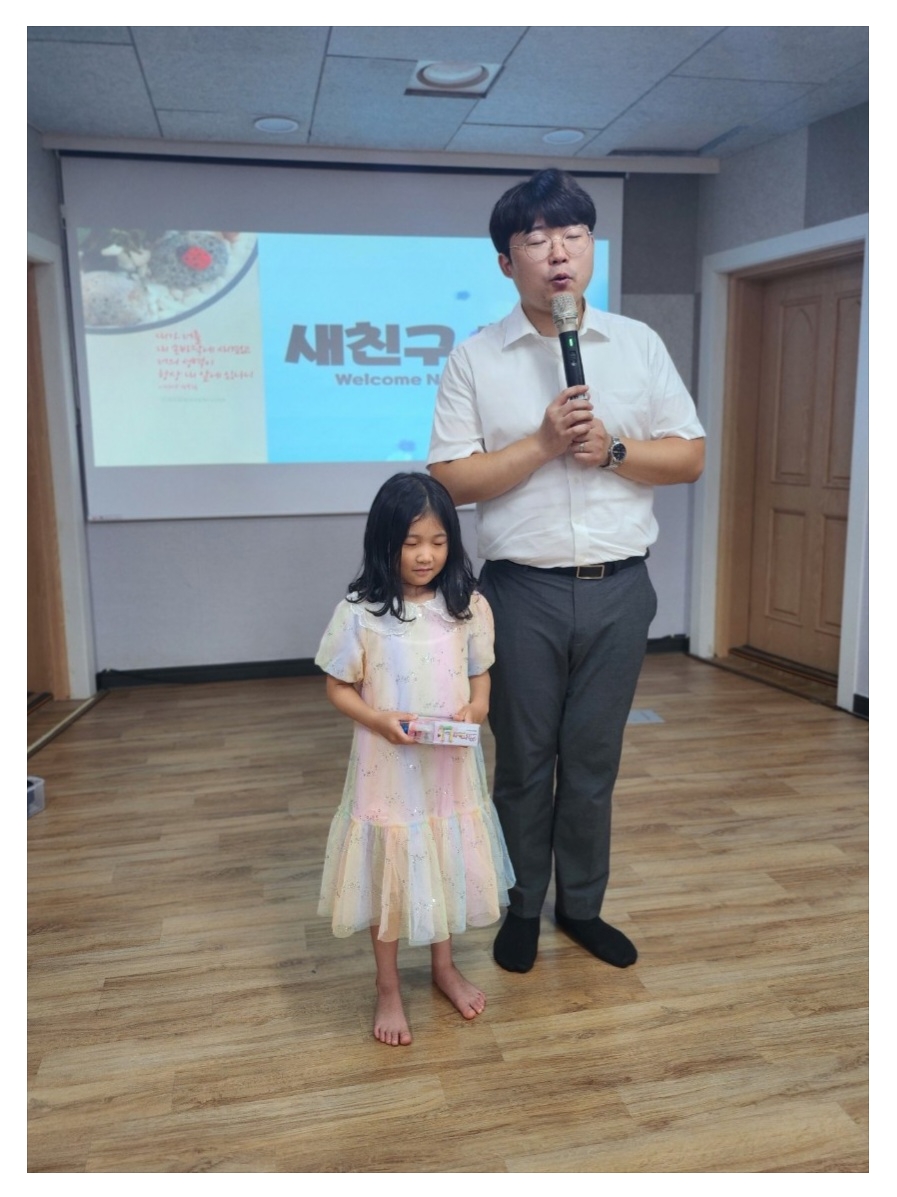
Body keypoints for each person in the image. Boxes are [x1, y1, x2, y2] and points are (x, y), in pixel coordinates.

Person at [428, 168, 705, 976]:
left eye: (574, 236)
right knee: (522, 762)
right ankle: (521, 906)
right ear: (505, 261)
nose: (558, 253)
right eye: (537, 239)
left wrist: (612, 449)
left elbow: (688, 456)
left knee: (591, 761)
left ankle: (579, 905)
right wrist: (542, 445)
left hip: (621, 588)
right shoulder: (475, 358)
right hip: (521, 592)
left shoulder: (637, 344)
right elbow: (451, 479)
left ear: (590, 249)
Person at [316, 471, 514, 1046]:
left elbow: (480, 674)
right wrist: (378, 719)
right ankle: (387, 986)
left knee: (442, 855)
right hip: (387, 766)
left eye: (437, 541)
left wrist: (478, 707)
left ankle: (444, 967)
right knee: (392, 863)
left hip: (447, 767)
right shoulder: (361, 612)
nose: (425, 555)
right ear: (385, 542)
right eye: (410, 543)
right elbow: (337, 687)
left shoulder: (468, 606)